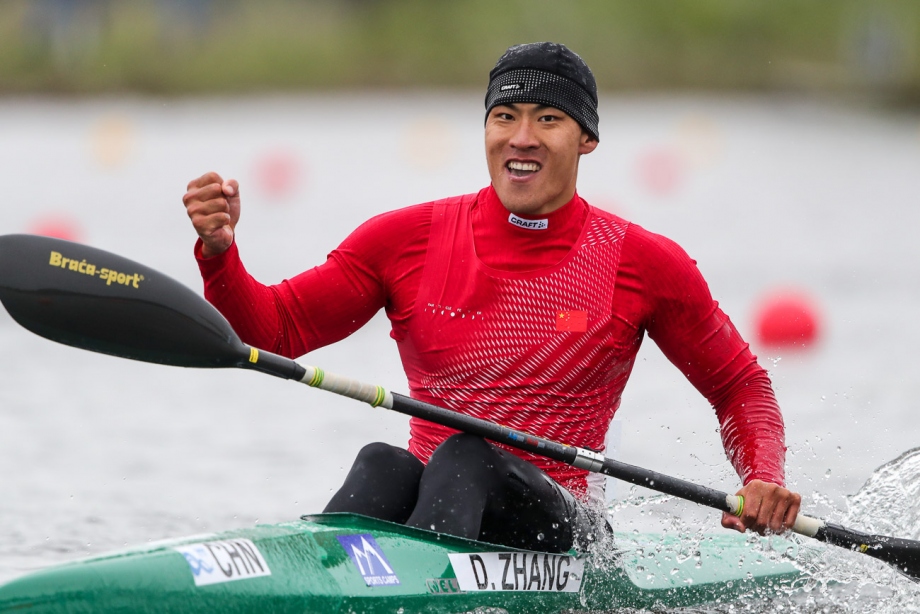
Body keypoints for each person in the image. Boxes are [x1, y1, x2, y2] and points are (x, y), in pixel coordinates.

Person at [182, 42, 801, 553]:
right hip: (442, 503)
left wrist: (762, 477)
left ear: (586, 139)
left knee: (466, 455)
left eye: (547, 119)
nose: (521, 137)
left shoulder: (641, 262)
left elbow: (739, 385)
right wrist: (220, 253)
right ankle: (319, 578)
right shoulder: (404, 240)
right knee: (381, 463)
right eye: (504, 116)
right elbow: (274, 333)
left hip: (568, 535)